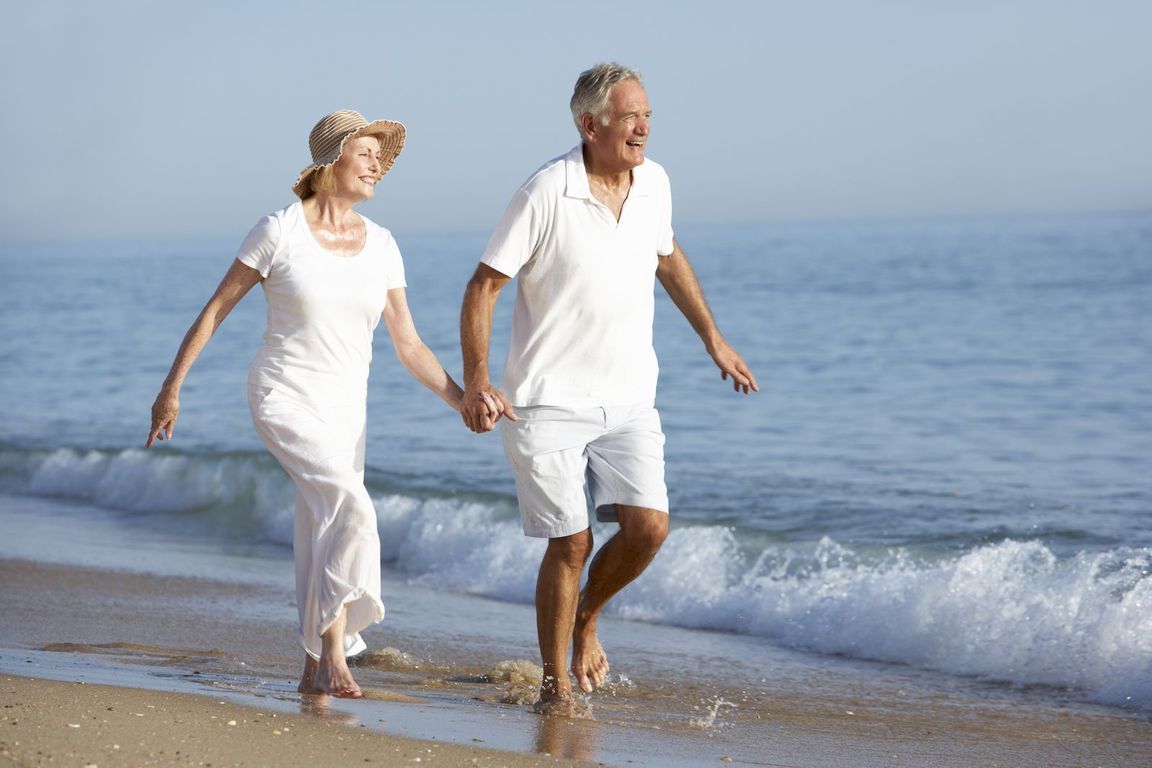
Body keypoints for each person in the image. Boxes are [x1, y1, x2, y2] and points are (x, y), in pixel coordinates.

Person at [147, 109, 479, 698]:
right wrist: (172, 387)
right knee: (353, 508)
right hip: (283, 395)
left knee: (321, 524)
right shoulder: (279, 230)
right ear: (332, 162)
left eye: (383, 155)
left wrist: (461, 400)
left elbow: (409, 344)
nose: (379, 164)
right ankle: (335, 657)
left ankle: (311, 668)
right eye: (367, 152)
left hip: (347, 409)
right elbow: (216, 309)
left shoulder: (382, 245)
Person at [459, 63, 758, 714]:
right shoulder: (545, 191)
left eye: (647, 114)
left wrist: (712, 337)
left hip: (628, 398)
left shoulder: (654, 184)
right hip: (544, 402)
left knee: (649, 528)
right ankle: (554, 682)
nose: (643, 126)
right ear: (589, 125)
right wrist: (478, 380)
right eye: (628, 116)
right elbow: (483, 285)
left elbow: (667, 255)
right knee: (570, 542)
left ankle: (587, 619)